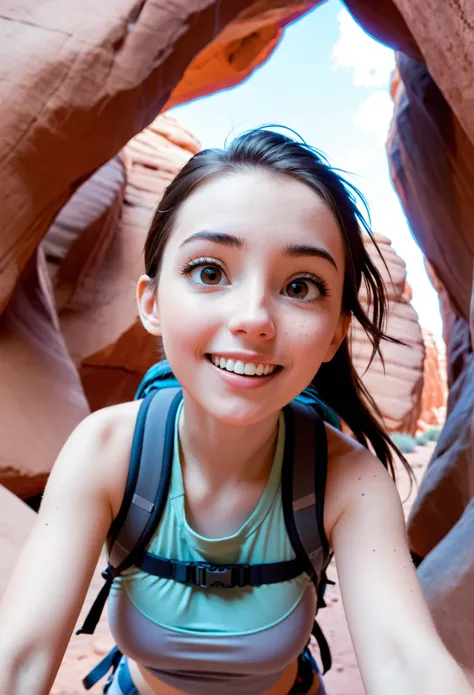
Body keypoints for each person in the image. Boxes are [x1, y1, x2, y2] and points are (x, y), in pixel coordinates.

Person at [0, 128, 472, 695]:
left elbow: (406, 663)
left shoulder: (350, 480)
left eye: (301, 285)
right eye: (209, 271)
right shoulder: (105, 452)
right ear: (151, 303)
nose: (254, 318)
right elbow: (19, 658)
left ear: (333, 337)